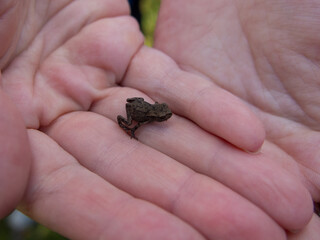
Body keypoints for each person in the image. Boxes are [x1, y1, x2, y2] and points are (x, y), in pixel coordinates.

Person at [0, 0, 319, 239]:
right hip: (133, 106)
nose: (167, 117)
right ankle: (23, 211)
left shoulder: (158, 115)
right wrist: (131, 130)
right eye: (165, 115)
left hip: (133, 91)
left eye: (165, 115)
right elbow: (138, 117)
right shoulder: (147, 118)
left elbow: (155, 109)